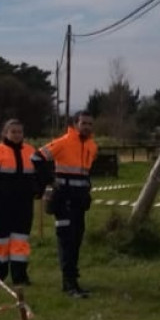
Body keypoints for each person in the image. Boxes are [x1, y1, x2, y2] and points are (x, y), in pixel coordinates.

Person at [32, 110, 98, 298]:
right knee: (67, 240)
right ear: (75, 124)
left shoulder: (92, 146)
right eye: (83, 123)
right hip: (64, 198)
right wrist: (49, 180)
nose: (86, 127)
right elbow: (37, 157)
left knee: (77, 238)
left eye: (90, 124)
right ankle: (69, 284)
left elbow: (85, 173)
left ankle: (73, 279)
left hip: (80, 199)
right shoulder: (63, 142)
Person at [0, 118, 40, 288]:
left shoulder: (30, 151)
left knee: (20, 242)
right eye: (13, 131)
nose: (16, 135)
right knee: (1, 241)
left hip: (23, 206)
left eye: (19, 132)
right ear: (5, 133)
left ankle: (20, 276)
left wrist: (38, 190)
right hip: (2, 206)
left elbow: (39, 174)